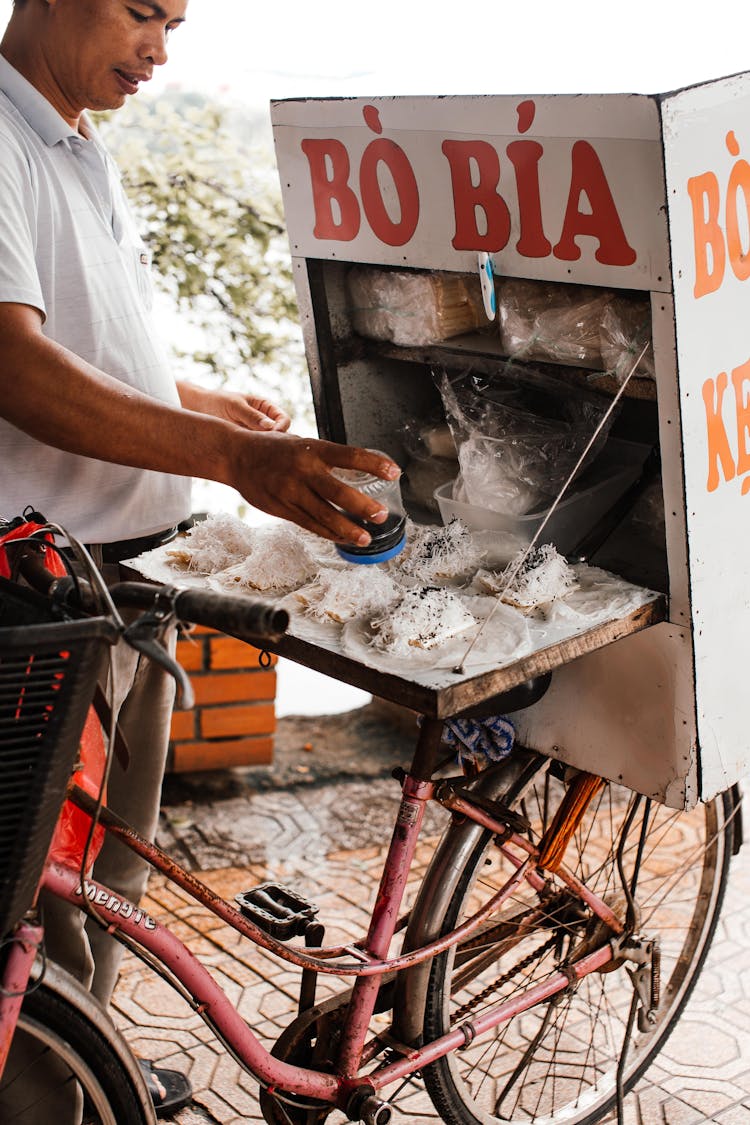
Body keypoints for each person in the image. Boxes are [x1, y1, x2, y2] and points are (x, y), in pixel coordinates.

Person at [0, 0, 399, 1117]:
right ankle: (46, 1091)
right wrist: (233, 454)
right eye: (141, 13)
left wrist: (197, 402)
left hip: (135, 581)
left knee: (113, 870)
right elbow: (16, 367)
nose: (160, 51)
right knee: (40, 888)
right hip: (49, 593)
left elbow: (83, 348)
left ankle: (85, 1068)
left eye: (175, 24)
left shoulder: (73, 144)